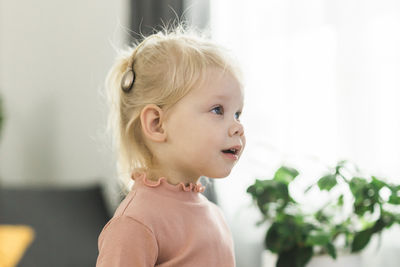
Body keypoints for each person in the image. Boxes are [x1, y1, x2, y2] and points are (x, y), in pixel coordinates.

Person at [96, 26, 246, 267]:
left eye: (238, 113)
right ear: (157, 124)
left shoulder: (215, 216)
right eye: (218, 110)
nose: (237, 127)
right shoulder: (136, 222)